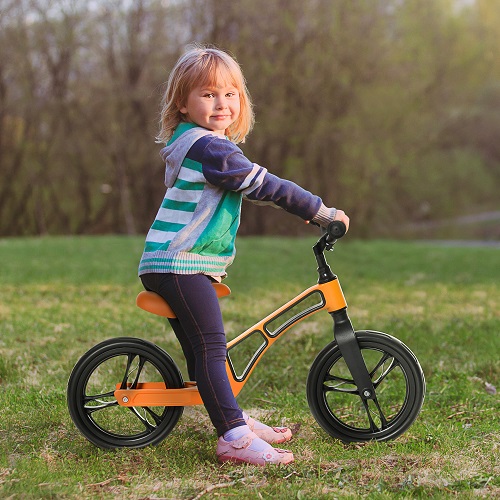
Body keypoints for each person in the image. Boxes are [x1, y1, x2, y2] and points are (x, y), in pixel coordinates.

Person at [138, 44, 350, 466]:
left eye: (230, 93)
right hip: (180, 264)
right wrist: (320, 211)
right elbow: (264, 185)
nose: (222, 103)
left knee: (204, 353)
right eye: (208, 94)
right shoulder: (211, 149)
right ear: (182, 103)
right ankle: (233, 437)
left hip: (175, 262)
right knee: (213, 348)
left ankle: (231, 417)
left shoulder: (198, 143)